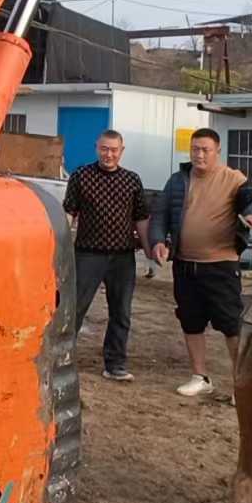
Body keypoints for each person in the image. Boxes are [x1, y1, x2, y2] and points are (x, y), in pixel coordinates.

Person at [150, 128, 252, 398]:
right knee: (190, 321)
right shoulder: (178, 180)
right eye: (195, 149)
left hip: (221, 266)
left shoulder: (233, 178)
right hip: (185, 265)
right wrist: (157, 241)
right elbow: (160, 213)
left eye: (205, 149)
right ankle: (200, 377)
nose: (199, 154)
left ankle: (243, 386)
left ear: (217, 152)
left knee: (231, 325)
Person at [63, 129, 151, 382]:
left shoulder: (132, 180)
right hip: (88, 255)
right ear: (96, 148)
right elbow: (69, 212)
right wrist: (62, 246)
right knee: (75, 309)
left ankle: (115, 364)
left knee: (121, 313)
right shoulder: (81, 175)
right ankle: (62, 359)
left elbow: (141, 217)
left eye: (113, 150)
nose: (108, 154)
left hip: (122, 257)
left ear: (121, 151)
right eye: (104, 149)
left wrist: (148, 249)